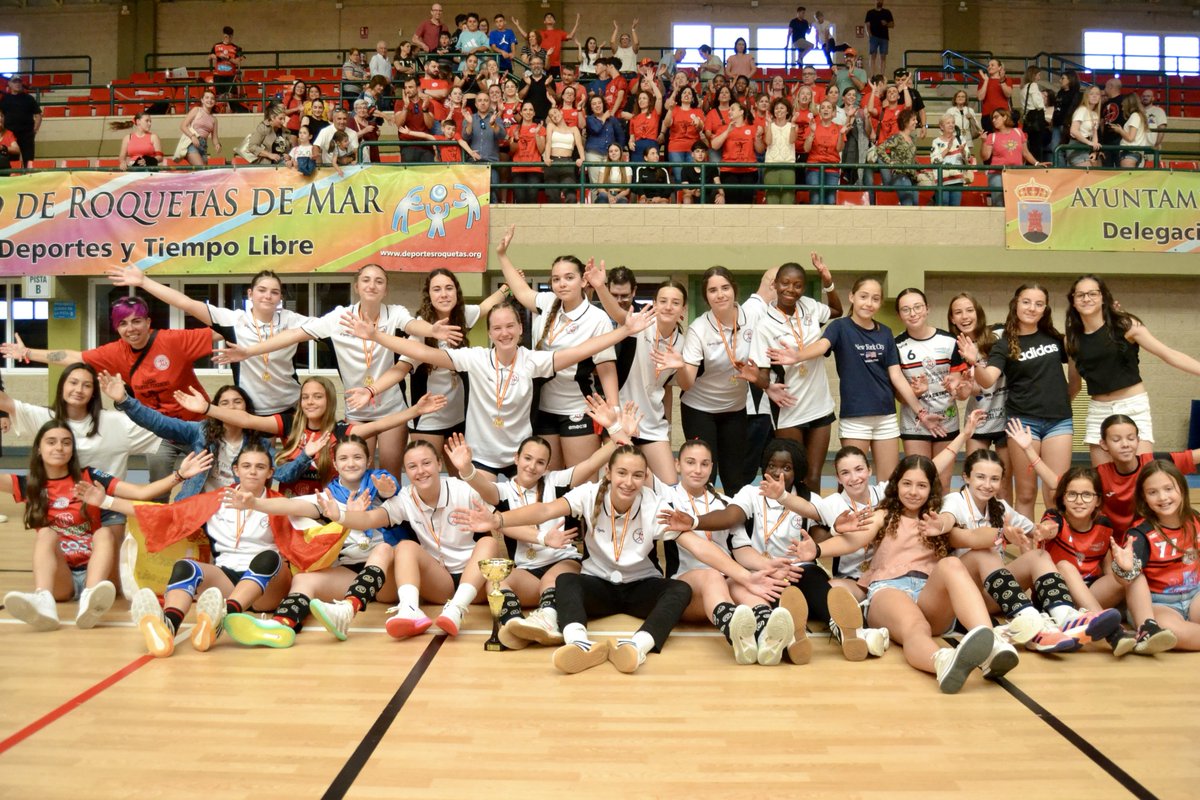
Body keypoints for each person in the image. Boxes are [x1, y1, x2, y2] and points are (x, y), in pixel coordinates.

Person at [455, 444, 790, 674]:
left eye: (637, 475)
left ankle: (639, 647)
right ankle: (579, 644)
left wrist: (745, 577)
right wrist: (497, 521)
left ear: (646, 477)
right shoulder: (588, 495)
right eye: (622, 473)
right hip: (598, 584)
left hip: (639, 586)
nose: (629, 482)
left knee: (677, 590)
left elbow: (700, 548)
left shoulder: (656, 504)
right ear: (609, 474)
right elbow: (544, 509)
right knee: (567, 579)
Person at [212, 264, 461, 478]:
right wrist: (249, 351)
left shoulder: (395, 313)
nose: (372, 285)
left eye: (379, 281)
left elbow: (411, 324)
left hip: (391, 405)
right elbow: (292, 335)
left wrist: (432, 331)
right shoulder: (339, 318)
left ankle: (389, 527)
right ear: (357, 286)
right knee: (358, 471)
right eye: (366, 280)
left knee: (389, 473)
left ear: (385, 289)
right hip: (356, 409)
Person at [444, 403, 638, 647]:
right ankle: (515, 625)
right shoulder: (503, 491)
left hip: (562, 564)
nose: (531, 466)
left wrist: (621, 436)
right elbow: (481, 485)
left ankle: (547, 619)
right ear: (516, 459)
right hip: (526, 571)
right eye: (527, 458)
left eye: (539, 462)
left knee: (556, 579)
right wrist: (465, 469)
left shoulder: (557, 481)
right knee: (497, 583)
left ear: (547, 467)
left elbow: (591, 463)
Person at [814, 456, 1011, 692]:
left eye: (921, 485)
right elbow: (852, 542)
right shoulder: (883, 514)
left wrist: (1003, 533)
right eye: (907, 484)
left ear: (931, 489)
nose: (913, 492)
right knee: (916, 627)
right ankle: (942, 660)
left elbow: (972, 538)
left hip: (929, 596)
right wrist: (817, 549)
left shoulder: (937, 519)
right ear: (896, 484)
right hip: (889, 590)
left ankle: (990, 644)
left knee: (951, 564)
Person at [1, 424, 209, 632]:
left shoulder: (90, 476)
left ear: (73, 450)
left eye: (66, 443)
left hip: (100, 575)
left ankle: (91, 598)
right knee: (46, 533)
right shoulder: (30, 484)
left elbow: (140, 493)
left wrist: (180, 475)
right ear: (38, 448)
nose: (59, 448)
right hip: (61, 578)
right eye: (51, 442)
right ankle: (43, 601)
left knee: (103, 532)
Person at [2, 295, 214, 488]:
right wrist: (28, 352)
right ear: (117, 328)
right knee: (158, 487)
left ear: (148, 322)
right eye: (123, 323)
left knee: (204, 483)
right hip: (157, 431)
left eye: (136, 321)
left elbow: (222, 331)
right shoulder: (115, 352)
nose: (131, 328)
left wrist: (245, 344)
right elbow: (73, 357)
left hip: (195, 425)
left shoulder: (172, 341)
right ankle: (157, 528)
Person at [217, 436, 402, 647]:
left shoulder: (380, 483)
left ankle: (346, 611)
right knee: (304, 580)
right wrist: (255, 503)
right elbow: (290, 506)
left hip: (386, 576)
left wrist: (386, 490)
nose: (350, 463)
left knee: (384, 549)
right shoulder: (327, 497)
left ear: (369, 461)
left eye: (357, 457)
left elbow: (392, 490)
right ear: (335, 464)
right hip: (350, 573)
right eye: (343, 458)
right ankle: (282, 625)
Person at [767, 276, 944, 484]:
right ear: (852, 297)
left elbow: (896, 376)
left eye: (875, 299)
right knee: (852, 482)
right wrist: (798, 355)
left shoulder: (885, 333)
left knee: (888, 485)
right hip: (855, 419)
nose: (869, 303)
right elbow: (823, 346)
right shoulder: (840, 327)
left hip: (885, 417)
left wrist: (921, 413)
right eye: (864, 296)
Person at [342, 269, 504, 472]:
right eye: (437, 289)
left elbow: (485, 307)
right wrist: (371, 390)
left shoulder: (462, 317)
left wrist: (509, 286)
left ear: (456, 292)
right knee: (427, 477)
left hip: (459, 418)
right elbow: (400, 369)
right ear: (429, 295)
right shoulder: (421, 331)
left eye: (449, 288)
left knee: (462, 482)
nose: (444, 294)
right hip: (428, 420)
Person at [498, 229, 622, 468]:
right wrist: (502, 255)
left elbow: (606, 368)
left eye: (568, 277)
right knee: (549, 481)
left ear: (584, 281)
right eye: (556, 279)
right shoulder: (547, 304)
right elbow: (521, 290)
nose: (561, 283)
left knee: (580, 482)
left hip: (578, 409)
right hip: (542, 409)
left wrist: (613, 411)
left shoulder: (597, 319)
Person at [1, 364, 160, 546]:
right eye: (73, 383)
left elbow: (164, 428)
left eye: (86, 385)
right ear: (62, 387)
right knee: (49, 546)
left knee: (108, 552)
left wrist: (126, 400)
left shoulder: (117, 423)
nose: (78, 389)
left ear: (94, 392)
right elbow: (4, 402)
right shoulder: (44, 417)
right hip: (63, 505)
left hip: (107, 505)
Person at [956, 284, 1076, 519]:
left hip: (1059, 422)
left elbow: (1076, 373)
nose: (1032, 308)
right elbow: (988, 379)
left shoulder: (1054, 338)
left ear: (1045, 309)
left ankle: (1053, 547)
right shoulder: (1005, 343)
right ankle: (1028, 551)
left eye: (1038, 304)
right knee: (1026, 493)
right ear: (1016, 304)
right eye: (1026, 302)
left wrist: (1064, 399)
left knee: (1056, 490)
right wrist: (975, 362)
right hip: (1023, 423)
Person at [651, 267, 765, 494]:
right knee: (704, 475)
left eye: (725, 288)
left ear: (734, 290)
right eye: (713, 290)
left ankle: (736, 527)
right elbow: (686, 384)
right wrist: (680, 365)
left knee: (735, 476)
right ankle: (702, 525)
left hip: (735, 409)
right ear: (706, 297)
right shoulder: (698, 329)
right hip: (699, 409)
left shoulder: (753, 319)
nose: (720, 294)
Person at [1064, 275, 1200, 465]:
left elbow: (1168, 354)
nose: (1086, 298)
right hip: (1098, 411)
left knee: (1142, 473)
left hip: (1132, 405)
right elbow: (1074, 385)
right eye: (1080, 295)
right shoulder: (1072, 338)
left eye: (1092, 293)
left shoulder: (1126, 325)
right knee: (1104, 479)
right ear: (1073, 301)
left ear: (1103, 297)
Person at [586, 269, 689, 482]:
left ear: (683, 309)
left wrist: (668, 427)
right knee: (617, 482)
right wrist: (600, 286)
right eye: (663, 301)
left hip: (653, 424)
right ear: (654, 303)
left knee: (668, 485)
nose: (668, 306)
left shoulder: (681, 342)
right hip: (621, 420)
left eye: (675, 302)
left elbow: (666, 387)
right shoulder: (641, 322)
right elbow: (617, 312)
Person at [749, 257, 841, 491]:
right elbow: (763, 373)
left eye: (797, 285)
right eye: (785, 283)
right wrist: (760, 383)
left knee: (813, 478)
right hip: (789, 408)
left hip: (820, 404)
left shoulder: (809, 306)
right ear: (775, 285)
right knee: (791, 479)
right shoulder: (764, 326)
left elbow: (837, 310)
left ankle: (812, 527)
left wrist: (828, 283)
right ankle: (788, 525)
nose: (791, 289)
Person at [1111, 460, 1200, 651]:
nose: (1163, 497)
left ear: (1182, 489)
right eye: (1153, 492)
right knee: (1171, 632)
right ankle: (1147, 629)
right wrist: (1124, 569)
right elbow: (1126, 582)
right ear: (1144, 498)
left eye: (1169, 488)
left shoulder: (1195, 520)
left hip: (1195, 595)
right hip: (1159, 604)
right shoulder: (1140, 534)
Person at [894, 288, 964, 489]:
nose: (913, 313)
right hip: (915, 423)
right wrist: (915, 392)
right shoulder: (896, 346)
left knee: (942, 482)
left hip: (946, 420)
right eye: (906, 309)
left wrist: (955, 386)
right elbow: (899, 396)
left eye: (917, 307)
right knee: (919, 481)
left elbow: (957, 385)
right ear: (899, 315)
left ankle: (940, 521)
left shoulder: (950, 341)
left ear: (927, 309)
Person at [947, 293, 1011, 501]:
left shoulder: (998, 335)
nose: (964, 316)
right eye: (958, 312)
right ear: (952, 319)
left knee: (1002, 485)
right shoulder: (956, 348)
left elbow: (991, 378)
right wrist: (958, 388)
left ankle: (1004, 530)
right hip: (979, 418)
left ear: (978, 313)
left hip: (1006, 417)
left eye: (969, 310)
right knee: (975, 480)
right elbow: (966, 392)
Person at [981, 108, 1040, 206]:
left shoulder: (1018, 132)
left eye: (996, 117)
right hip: (997, 174)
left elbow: (1025, 153)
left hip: (1016, 173)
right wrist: (983, 142)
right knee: (999, 203)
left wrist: (1037, 163)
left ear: (1004, 117)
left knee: (1016, 202)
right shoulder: (992, 136)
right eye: (992, 119)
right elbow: (985, 157)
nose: (993, 120)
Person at [711, 101, 762, 205]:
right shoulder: (724, 128)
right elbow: (714, 145)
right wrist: (727, 132)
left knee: (746, 202)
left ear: (741, 112)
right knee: (731, 201)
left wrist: (757, 138)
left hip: (749, 171)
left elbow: (760, 150)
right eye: (729, 109)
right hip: (729, 170)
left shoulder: (751, 128)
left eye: (732, 109)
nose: (729, 111)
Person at [804, 98, 847, 205]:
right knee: (816, 198)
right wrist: (812, 133)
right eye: (822, 107)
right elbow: (806, 149)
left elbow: (839, 149)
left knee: (831, 200)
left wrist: (841, 134)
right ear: (819, 112)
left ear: (833, 113)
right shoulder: (812, 126)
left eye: (829, 107)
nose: (825, 110)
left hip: (832, 168)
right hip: (814, 167)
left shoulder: (839, 128)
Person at [876, 107, 920, 206]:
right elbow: (880, 148)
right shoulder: (897, 137)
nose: (916, 122)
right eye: (913, 119)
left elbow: (910, 157)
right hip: (901, 176)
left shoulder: (912, 138)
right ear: (905, 121)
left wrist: (920, 168)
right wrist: (890, 162)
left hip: (912, 177)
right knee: (908, 204)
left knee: (915, 205)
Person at [543, 105, 585, 202]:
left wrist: (582, 158)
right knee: (552, 196)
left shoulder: (574, 129)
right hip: (553, 162)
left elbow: (579, 145)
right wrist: (547, 157)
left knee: (571, 196)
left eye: (555, 112)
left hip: (567, 162)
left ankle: (570, 217)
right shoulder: (551, 126)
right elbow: (548, 142)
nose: (554, 115)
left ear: (561, 112)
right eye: (551, 115)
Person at [928, 113, 970, 206]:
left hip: (957, 179)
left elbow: (968, 158)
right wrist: (947, 149)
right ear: (941, 127)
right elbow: (934, 161)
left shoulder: (961, 139)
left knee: (955, 207)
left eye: (953, 122)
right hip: (941, 180)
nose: (951, 125)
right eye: (948, 123)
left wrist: (963, 152)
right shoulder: (936, 142)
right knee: (943, 204)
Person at [507, 102, 545, 202]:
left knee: (532, 199)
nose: (528, 112)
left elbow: (541, 150)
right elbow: (511, 151)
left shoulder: (540, 128)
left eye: (530, 110)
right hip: (517, 169)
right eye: (525, 110)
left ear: (534, 113)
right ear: (521, 113)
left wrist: (536, 134)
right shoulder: (514, 128)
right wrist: (515, 139)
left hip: (534, 169)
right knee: (520, 199)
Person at [0, 76, 40, 168]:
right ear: (9, 84)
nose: (17, 84)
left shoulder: (29, 98)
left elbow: (38, 115)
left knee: (28, 160)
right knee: (10, 161)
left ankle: (29, 179)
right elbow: (1, 115)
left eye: (19, 82)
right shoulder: (4, 99)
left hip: (27, 134)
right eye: (14, 82)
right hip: (10, 135)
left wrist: (35, 130)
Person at [763, 98, 797, 205]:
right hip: (771, 165)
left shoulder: (793, 126)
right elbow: (768, 142)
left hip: (788, 165)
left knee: (788, 198)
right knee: (771, 198)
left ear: (787, 111)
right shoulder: (769, 126)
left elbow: (792, 140)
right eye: (776, 108)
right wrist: (768, 125)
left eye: (782, 108)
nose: (779, 110)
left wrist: (793, 124)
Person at [177, 88, 220, 167]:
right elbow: (183, 125)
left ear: (215, 102)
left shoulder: (214, 119)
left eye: (212, 98)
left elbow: (214, 137)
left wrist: (217, 144)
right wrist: (192, 136)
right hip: (192, 143)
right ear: (202, 100)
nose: (209, 100)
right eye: (207, 97)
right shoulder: (196, 110)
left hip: (203, 146)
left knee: (204, 174)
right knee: (201, 168)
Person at [1108, 93, 1152, 167]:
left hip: (1129, 154)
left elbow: (1130, 138)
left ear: (1128, 104)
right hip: (1134, 154)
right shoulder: (1139, 115)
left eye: (1123, 106)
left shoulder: (1134, 116)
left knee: (1127, 177)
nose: (1122, 108)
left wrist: (1120, 130)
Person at [208, 26, 246, 111]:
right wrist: (217, 57)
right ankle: (217, 112)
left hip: (230, 77)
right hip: (218, 76)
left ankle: (241, 111)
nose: (227, 38)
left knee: (231, 97)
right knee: (220, 97)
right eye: (226, 36)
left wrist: (228, 58)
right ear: (223, 36)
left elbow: (238, 62)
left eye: (229, 37)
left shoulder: (236, 48)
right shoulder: (216, 46)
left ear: (232, 37)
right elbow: (209, 56)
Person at [1068, 85, 1103, 167]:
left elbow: (1094, 133)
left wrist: (1095, 149)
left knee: (1098, 170)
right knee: (1087, 172)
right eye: (1091, 94)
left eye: (1097, 94)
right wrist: (1089, 143)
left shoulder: (1095, 114)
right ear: (1086, 96)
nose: (1094, 96)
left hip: (1087, 148)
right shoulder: (1082, 110)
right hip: (1077, 146)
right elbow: (1073, 130)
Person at [976, 59, 1013, 134]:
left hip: (1003, 115)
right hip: (987, 115)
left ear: (999, 67)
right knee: (989, 141)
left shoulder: (1006, 79)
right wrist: (986, 81)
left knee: (1003, 139)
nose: (989, 67)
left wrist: (1002, 81)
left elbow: (1008, 94)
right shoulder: (983, 81)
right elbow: (980, 97)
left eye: (992, 65)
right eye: (988, 65)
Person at [863, 0, 895, 76]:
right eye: (877, 0)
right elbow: (867, 25)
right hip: (873, 37)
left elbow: (892, 25)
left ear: (883, 2)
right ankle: (873, 75)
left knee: (883, 57)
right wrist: (869, 35)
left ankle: (882, 75)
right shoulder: (870, 12)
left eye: (881, 0)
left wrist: (886, 24)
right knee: (872, 56)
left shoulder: (887, 12)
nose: (879, 1)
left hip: (884, 37)